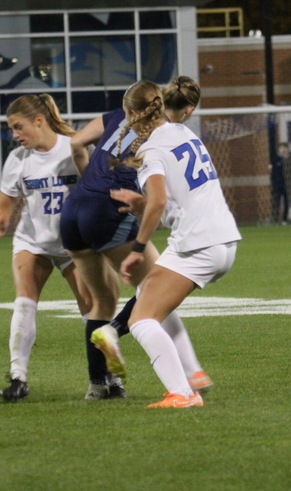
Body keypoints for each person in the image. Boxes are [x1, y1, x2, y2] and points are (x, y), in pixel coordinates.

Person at [60, 76, 211, 401]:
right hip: (106, 211)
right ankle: (117, 336)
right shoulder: (162, 136)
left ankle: (100, 385)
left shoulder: (116, 117)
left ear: (130, 107)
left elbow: (75, 144)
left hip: (72, 210)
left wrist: (88, 181)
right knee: (157, 286)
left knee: (101, 301)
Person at [110, 80, 242, 408]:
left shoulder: (150, 149)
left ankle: (182, 393)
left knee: (140, 321)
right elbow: (170, 201)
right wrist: (142, 204)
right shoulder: (184, 133)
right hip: (221, 239)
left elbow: (157, 204)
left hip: (198, 244)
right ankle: (192, 374)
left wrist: (137, 249)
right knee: (146, 297)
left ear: (134, 113)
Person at [0, 94, 92, 402]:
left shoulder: (75, 147)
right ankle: (18, 378)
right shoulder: (18, 160)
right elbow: (5, 203)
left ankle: (106, 377)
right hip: (33, 242)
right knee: (24, 302)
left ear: (39, 120)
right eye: (11, 130)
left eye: (18, 127)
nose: (15, 135)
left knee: (92, 310)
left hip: (75, 244)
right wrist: (0, 221)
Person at [270, 142, 291, 224]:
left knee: (286, 202)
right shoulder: (275, 159)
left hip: (287, 184)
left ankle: (284, 219)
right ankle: (275, 219)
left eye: (285, 148)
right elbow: (273, 173)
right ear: (278, 149)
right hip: (277, 184)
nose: (283, 150)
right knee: (276, 201)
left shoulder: (289, 160)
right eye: (281, 148)